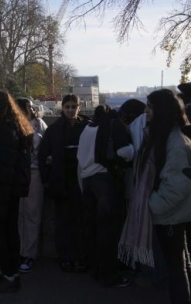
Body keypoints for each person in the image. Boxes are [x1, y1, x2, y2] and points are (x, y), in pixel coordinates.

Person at [128, 89, 191, 304]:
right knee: (183, 264)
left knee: (177, 266)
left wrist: (153, 205)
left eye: (150, 107)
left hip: (172, 213)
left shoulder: (174, 140)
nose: (146, 111)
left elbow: (177, 184)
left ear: (162, 111)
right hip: (178, 210)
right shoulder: (172, 136)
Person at [0, 91, 32, 294]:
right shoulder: (15, 126)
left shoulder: (3, 130)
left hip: (3, 189)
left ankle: (8, 273)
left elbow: (4, 165)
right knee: (10, 231)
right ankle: (11, 273)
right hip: (12, 189)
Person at [77, 105, 131, 288]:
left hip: (87, 182)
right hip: (106, 181)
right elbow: (126, 152)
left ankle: (96, 269)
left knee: (92, 228)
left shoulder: (87, 128)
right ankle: (110, 275)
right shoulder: (113, 125)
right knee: (109, 230)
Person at [38, 94, 89, 273]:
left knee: (80, 221)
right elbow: (43, 155)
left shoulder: (86, 127)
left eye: (73, 106)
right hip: (61, 180)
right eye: (67, 107)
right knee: (63, 222)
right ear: (62, 108)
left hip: (80, 180)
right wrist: (46, 179)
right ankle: (66, 257)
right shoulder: (54, 129)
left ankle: (80, 256)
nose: (70, 110)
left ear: (79, 107)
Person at [15, 98, 47, 274]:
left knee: (32, 214)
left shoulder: (38, 124)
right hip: (21, 172)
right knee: (20, 214)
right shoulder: (20, 124)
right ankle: (21, 250)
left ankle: (29, 253)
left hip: (34, 172)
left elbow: (37, 147)